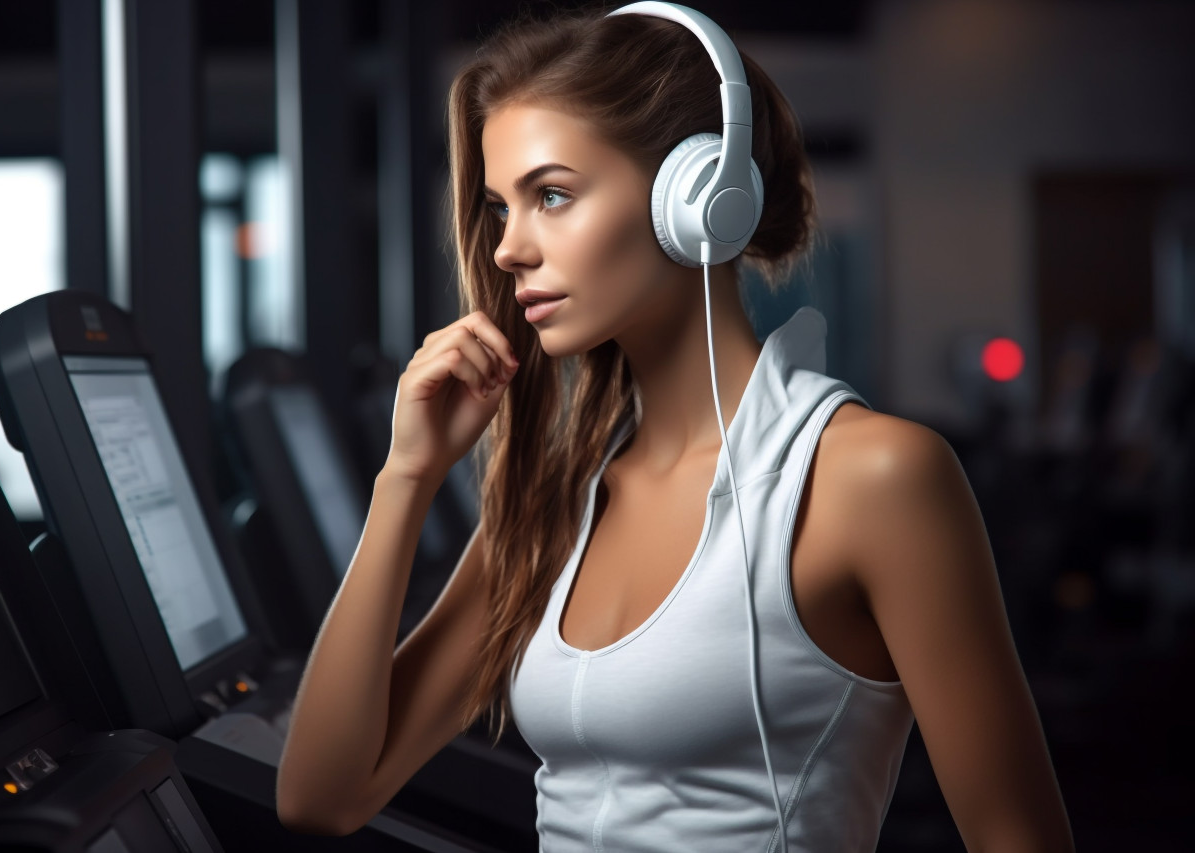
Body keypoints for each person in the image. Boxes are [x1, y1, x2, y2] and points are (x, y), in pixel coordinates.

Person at [276, 4, 1074, 851]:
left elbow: (1018, 837)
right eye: (499, 207)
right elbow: (319, 797)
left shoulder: (871, 477)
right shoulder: (554, 502)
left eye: (551, 194)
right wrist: (407, 477)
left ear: (694, 200)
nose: (508, 248)